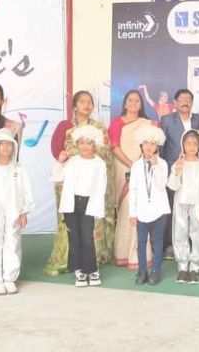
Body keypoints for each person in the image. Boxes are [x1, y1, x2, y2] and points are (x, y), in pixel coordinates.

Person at [46, 90, 115, 276]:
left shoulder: (99, 129)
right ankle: (68, 259)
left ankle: (92, 260)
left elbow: (106, 153)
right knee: (69, 223)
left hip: (91, 182)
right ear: (75, 106)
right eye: (82, 101)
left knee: (90, 223)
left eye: (89, 102)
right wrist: (70, 159)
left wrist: (87, 157)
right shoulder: (65, 126)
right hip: (69, 181)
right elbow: (56, 151)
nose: (86, 105)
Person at [52, 125, 107, 287]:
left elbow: (101, 187)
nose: (85, 146)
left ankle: (92, 270)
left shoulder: (99, 163)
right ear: (77, 144)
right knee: (74, 238)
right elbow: (56, 177)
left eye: (89, 143)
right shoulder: (72, 161)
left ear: (95, 145)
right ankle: (79, 270)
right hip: (71, 204)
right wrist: (60, 162)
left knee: (87, 238)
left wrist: (97, 208)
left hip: (89, 204)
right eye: (81, 143)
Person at [160, 89, 199, 261]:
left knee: (195, 211)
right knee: (174, 211)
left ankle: (194, 247)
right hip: (175, 171)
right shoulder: (166, 120)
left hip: (196, 172)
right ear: (175, 102)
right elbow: (162, 148)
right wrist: (166, 170)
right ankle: (170, 244)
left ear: (192, 102)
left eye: (188, 99)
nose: (185, 102)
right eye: (181, 99)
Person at [0, 129, 34, 295]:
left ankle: (10, 278)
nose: (5, 147)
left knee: (13, 242)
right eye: (2, 143)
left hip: (14, 212)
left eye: (9, 144)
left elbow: (25, 191)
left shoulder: (18, 169)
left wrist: (23, 211)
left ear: (14, 147)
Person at [109, 90, 153, 270]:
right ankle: (122, 253)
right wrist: (131, 165)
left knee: (140, 209)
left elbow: (152, 146)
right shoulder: (117, 122)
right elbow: (114, 146)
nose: (134, 103)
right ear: (125, 104)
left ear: (141, 104)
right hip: (124, 169)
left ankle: (138, 254)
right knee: (126, 209)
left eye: (137, 100)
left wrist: (140, 165)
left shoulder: (147, 124)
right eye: (130, 100)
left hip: (143, 169)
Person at [166, 130, 199, 284]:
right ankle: (182, 267)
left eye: (195, 144)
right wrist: (177, 170)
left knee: (197, 235)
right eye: (188, 143)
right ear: (183, 145)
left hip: (197, 205)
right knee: (179, 234)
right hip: (180, 203)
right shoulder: (178, 164)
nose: (191, 147)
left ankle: (195, 268)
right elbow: (173, 186)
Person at [128, 125, 169, 286]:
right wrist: (132, 213)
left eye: (153, 143)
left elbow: (161, 184)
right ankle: (142, 271)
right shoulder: (136, 166)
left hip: (158, 210)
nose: (149, 146)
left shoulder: (163, 164)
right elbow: (133, 189)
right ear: (141, 144)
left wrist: (155, 166)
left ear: (157, 145)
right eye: (146, 142)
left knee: (157, 242)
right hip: (141, 211)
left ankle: (156, 271)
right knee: (141, 243)